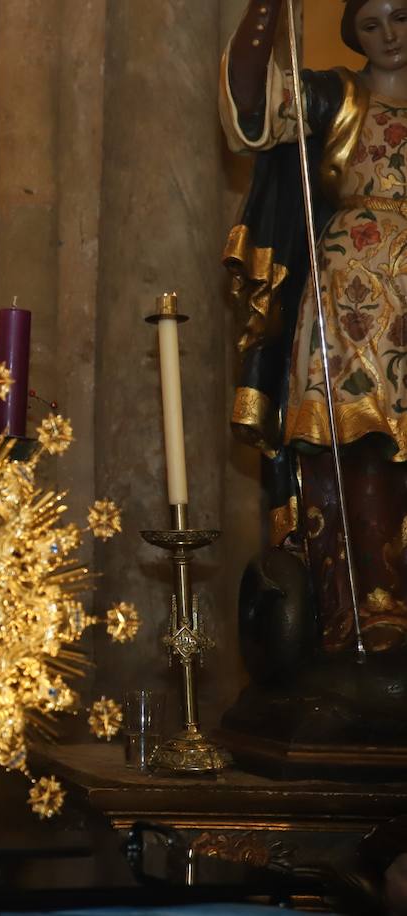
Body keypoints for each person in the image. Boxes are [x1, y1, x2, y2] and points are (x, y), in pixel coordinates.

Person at [223, 0, 407, 654]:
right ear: (353, 33)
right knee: (354, 436)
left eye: (401, 17)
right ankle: (366, 604)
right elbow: (251, 102)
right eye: (371, 24)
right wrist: (267, 9)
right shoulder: (336, 97)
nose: (389, 35)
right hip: (352, 289)